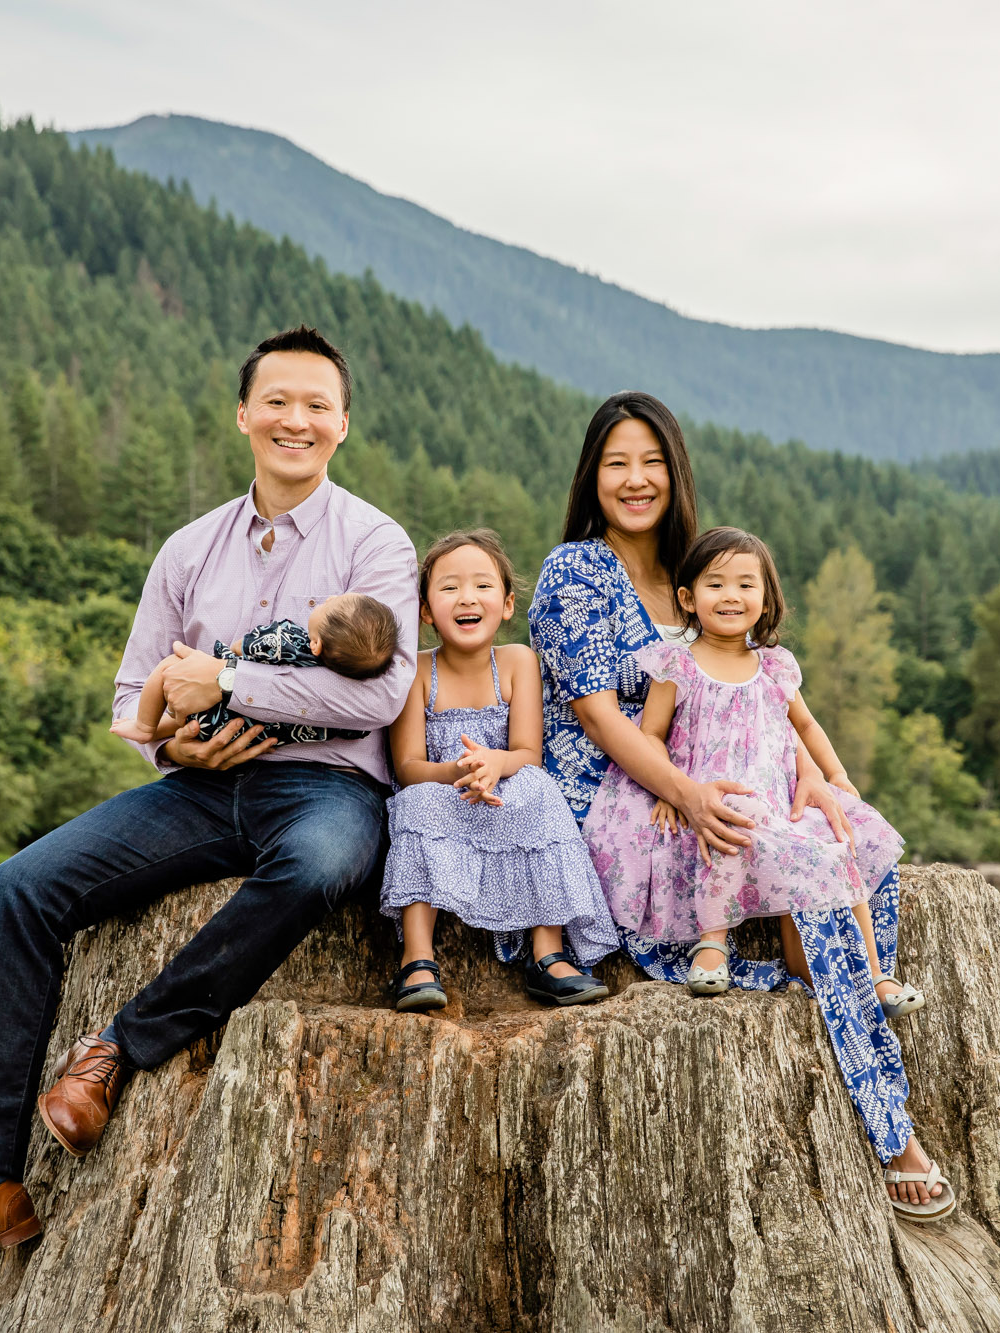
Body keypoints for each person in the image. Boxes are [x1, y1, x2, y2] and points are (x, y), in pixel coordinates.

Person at [0, 325, 419, 1295]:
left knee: (320, 867)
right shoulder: (189, 546)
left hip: (328, 784)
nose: (296, 419)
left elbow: (377, 699)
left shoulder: (373, 542)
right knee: (19, 887)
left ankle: (117, 1047)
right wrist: (174, 739)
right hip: (199, 782)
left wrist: (230, 681)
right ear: (244, 414)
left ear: (341, 424)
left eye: (316, 405)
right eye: (277, 401)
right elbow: (132, 698)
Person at [527, 392, 955, 1222]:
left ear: (675, 471)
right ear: (592, 475)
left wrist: (812, 778)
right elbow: (601, 716)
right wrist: (685, 796)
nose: (635, 478)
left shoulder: (701, 568)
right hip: (626, 801)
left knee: (854, 844)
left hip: (731, 790)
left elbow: (757, 697)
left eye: (652, 460)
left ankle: (843, 991)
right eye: (616, 461)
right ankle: (893, 1129)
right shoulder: (574, 571)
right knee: (811, 880)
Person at [585, 526, 921, 1010]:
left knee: (838, 834)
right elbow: (651, 734)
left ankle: (873, 973)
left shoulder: (774, 666)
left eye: (746, 584)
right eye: (715, 583)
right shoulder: (676, 664)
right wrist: (667, 789)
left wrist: (837, 776)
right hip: (711, 788)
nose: (730, 596)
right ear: (688, 597)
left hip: (777, 793)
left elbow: (805, 726)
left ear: (766, 600)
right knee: (731, 816)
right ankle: (712, 943)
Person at [381, 529, 617, 1012]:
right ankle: (417, 958)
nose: (467, 597)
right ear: (426, 610)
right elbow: (406, 767)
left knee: (540, 789)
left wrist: (494, 764)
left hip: (505, 787)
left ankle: (547, 952)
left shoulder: (515, 662)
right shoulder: (417, 672)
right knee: (414, 804)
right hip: (443, 790)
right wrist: (459, 771)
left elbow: (527, 752)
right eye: (449, 587)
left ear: (507, 604)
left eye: (482, 586)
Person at [111, 592, 398, 745]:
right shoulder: (345, 697)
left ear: (316, 646)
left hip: (220, 712)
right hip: (242, 735)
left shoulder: (289, 641)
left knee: (171, 667)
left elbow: (243, 645)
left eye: (328, 606)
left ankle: (146, 727)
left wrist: (233, 652)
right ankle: (166, 731)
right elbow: (353, 730)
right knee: (196, 717)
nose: (330, 598)